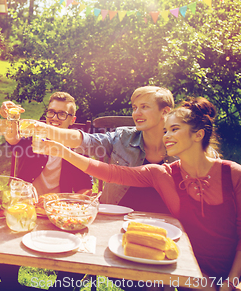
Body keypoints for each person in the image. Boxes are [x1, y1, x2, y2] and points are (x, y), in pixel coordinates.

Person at [38, 97, 241, 291]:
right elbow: (111, 172)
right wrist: (64, 152)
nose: (167, 136)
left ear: (198, 135)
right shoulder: (162, 174)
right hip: (183, 268)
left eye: (175, 129)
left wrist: (231, 281)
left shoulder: (233, 174)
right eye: (166, 130)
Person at [6, 86, 176, 213]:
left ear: (165, 112)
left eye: (144, 107)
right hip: (114, 215)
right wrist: (16, 119)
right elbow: (87, 141)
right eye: (134, 107)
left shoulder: (181, 147)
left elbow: (89, 184)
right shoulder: (121, 137)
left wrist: (68, 200)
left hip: (165, 222)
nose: (136, 113)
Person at [0, 92, 92, 290]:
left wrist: (69, 204)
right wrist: (11, 117)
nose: (54, 118)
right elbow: (13, 139)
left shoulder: (76, 149)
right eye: (51, 112)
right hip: (24, 209)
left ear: (72, 120)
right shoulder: (33, 135)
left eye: (61, 114)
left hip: (57, 215)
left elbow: (86, 187)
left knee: (76, 264)